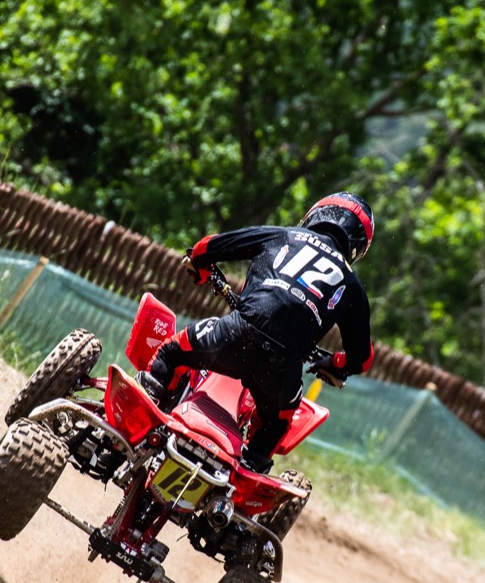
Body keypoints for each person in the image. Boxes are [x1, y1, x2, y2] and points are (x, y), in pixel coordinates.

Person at [139, 192, 375, 474]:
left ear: (317, 214)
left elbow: (208, 246)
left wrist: (200, 266)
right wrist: (335, 363)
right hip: (283, 369)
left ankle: (136, 426)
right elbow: (362, 360)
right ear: (358, 247)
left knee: (171, 352)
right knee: (275, 426)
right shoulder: (353, 286)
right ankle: (244, 478)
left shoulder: (284, 235)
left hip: (238, 332)